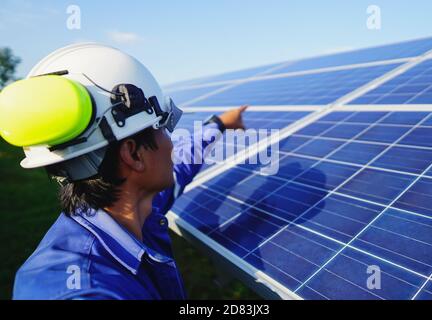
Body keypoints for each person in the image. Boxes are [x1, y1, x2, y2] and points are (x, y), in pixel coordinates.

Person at [0, 43, 247, 299]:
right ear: (133, 154)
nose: (172, 142)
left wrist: (218, 124)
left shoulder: (132, 208)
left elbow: (180, 167)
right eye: (162, 127)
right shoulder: (77, 290)